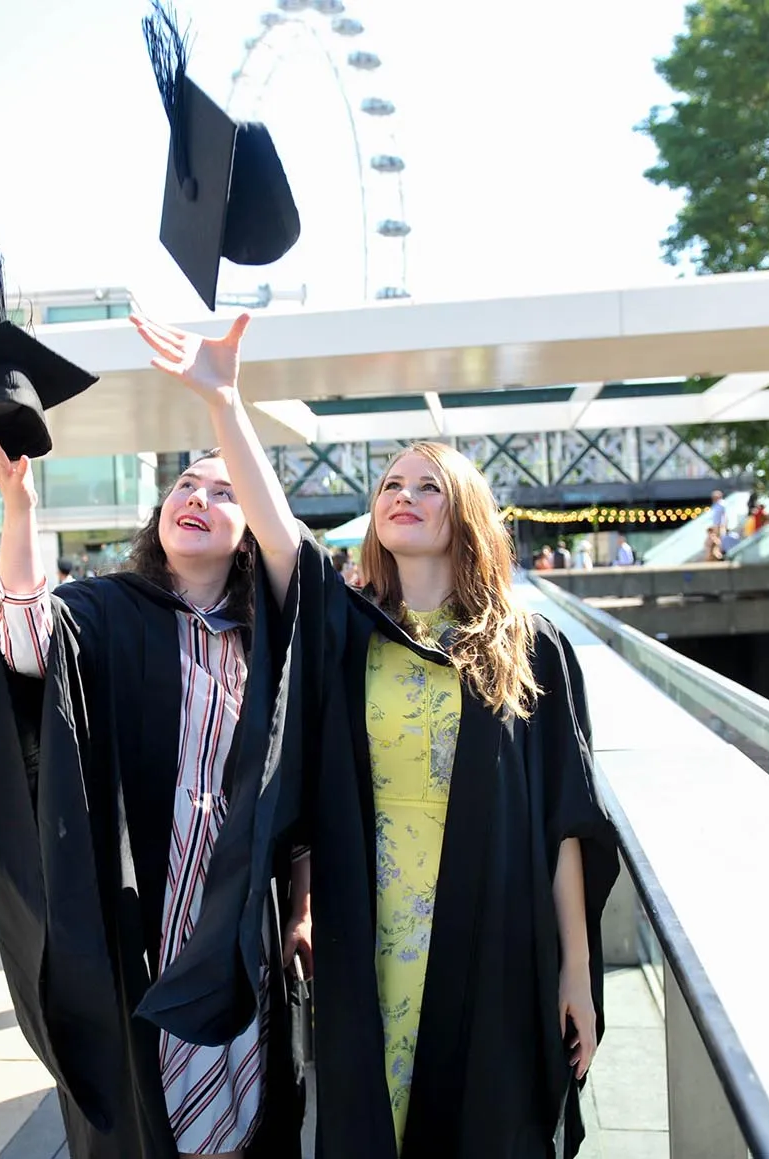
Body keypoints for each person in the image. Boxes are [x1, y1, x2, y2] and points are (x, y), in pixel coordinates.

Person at [0, 311, 307, 1158]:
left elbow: (291, 552)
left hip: (236, 912)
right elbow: (22, 640)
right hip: (144, 908)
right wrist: (20, 514)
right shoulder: (103, 612)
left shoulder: (267, 629)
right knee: (148, 1104)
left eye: (222, 490)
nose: (198, 497)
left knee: (242, 1101)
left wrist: (223, 404)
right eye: (185, 487)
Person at [281, 440, 620, 1157]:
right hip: (369, 928)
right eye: (391, 484)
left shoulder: (529, 647)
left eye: (427, 486)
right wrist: (223, 402)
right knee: (376, 1119)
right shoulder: (349, 640)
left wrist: (577, 973)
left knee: (485, 1119)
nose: (403, 495)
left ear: (464, 512)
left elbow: (564, 824)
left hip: (491, 927)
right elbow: (316, 791)